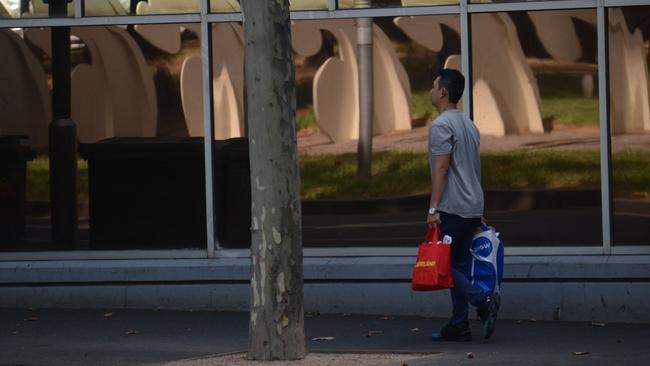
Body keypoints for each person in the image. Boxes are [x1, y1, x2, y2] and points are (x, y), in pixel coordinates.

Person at [426, 68, 499, 341]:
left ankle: (482, 301)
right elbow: (474, 169)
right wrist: (479, 211)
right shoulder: (469, 124)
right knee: (456, 262)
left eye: (434, 86)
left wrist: (433, 208)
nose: (431, 91)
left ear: (443, 92)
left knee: (444, 264)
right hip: (471, 204)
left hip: (453, 206)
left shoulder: (441, 125)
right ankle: (459, 323)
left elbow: (441, 168)